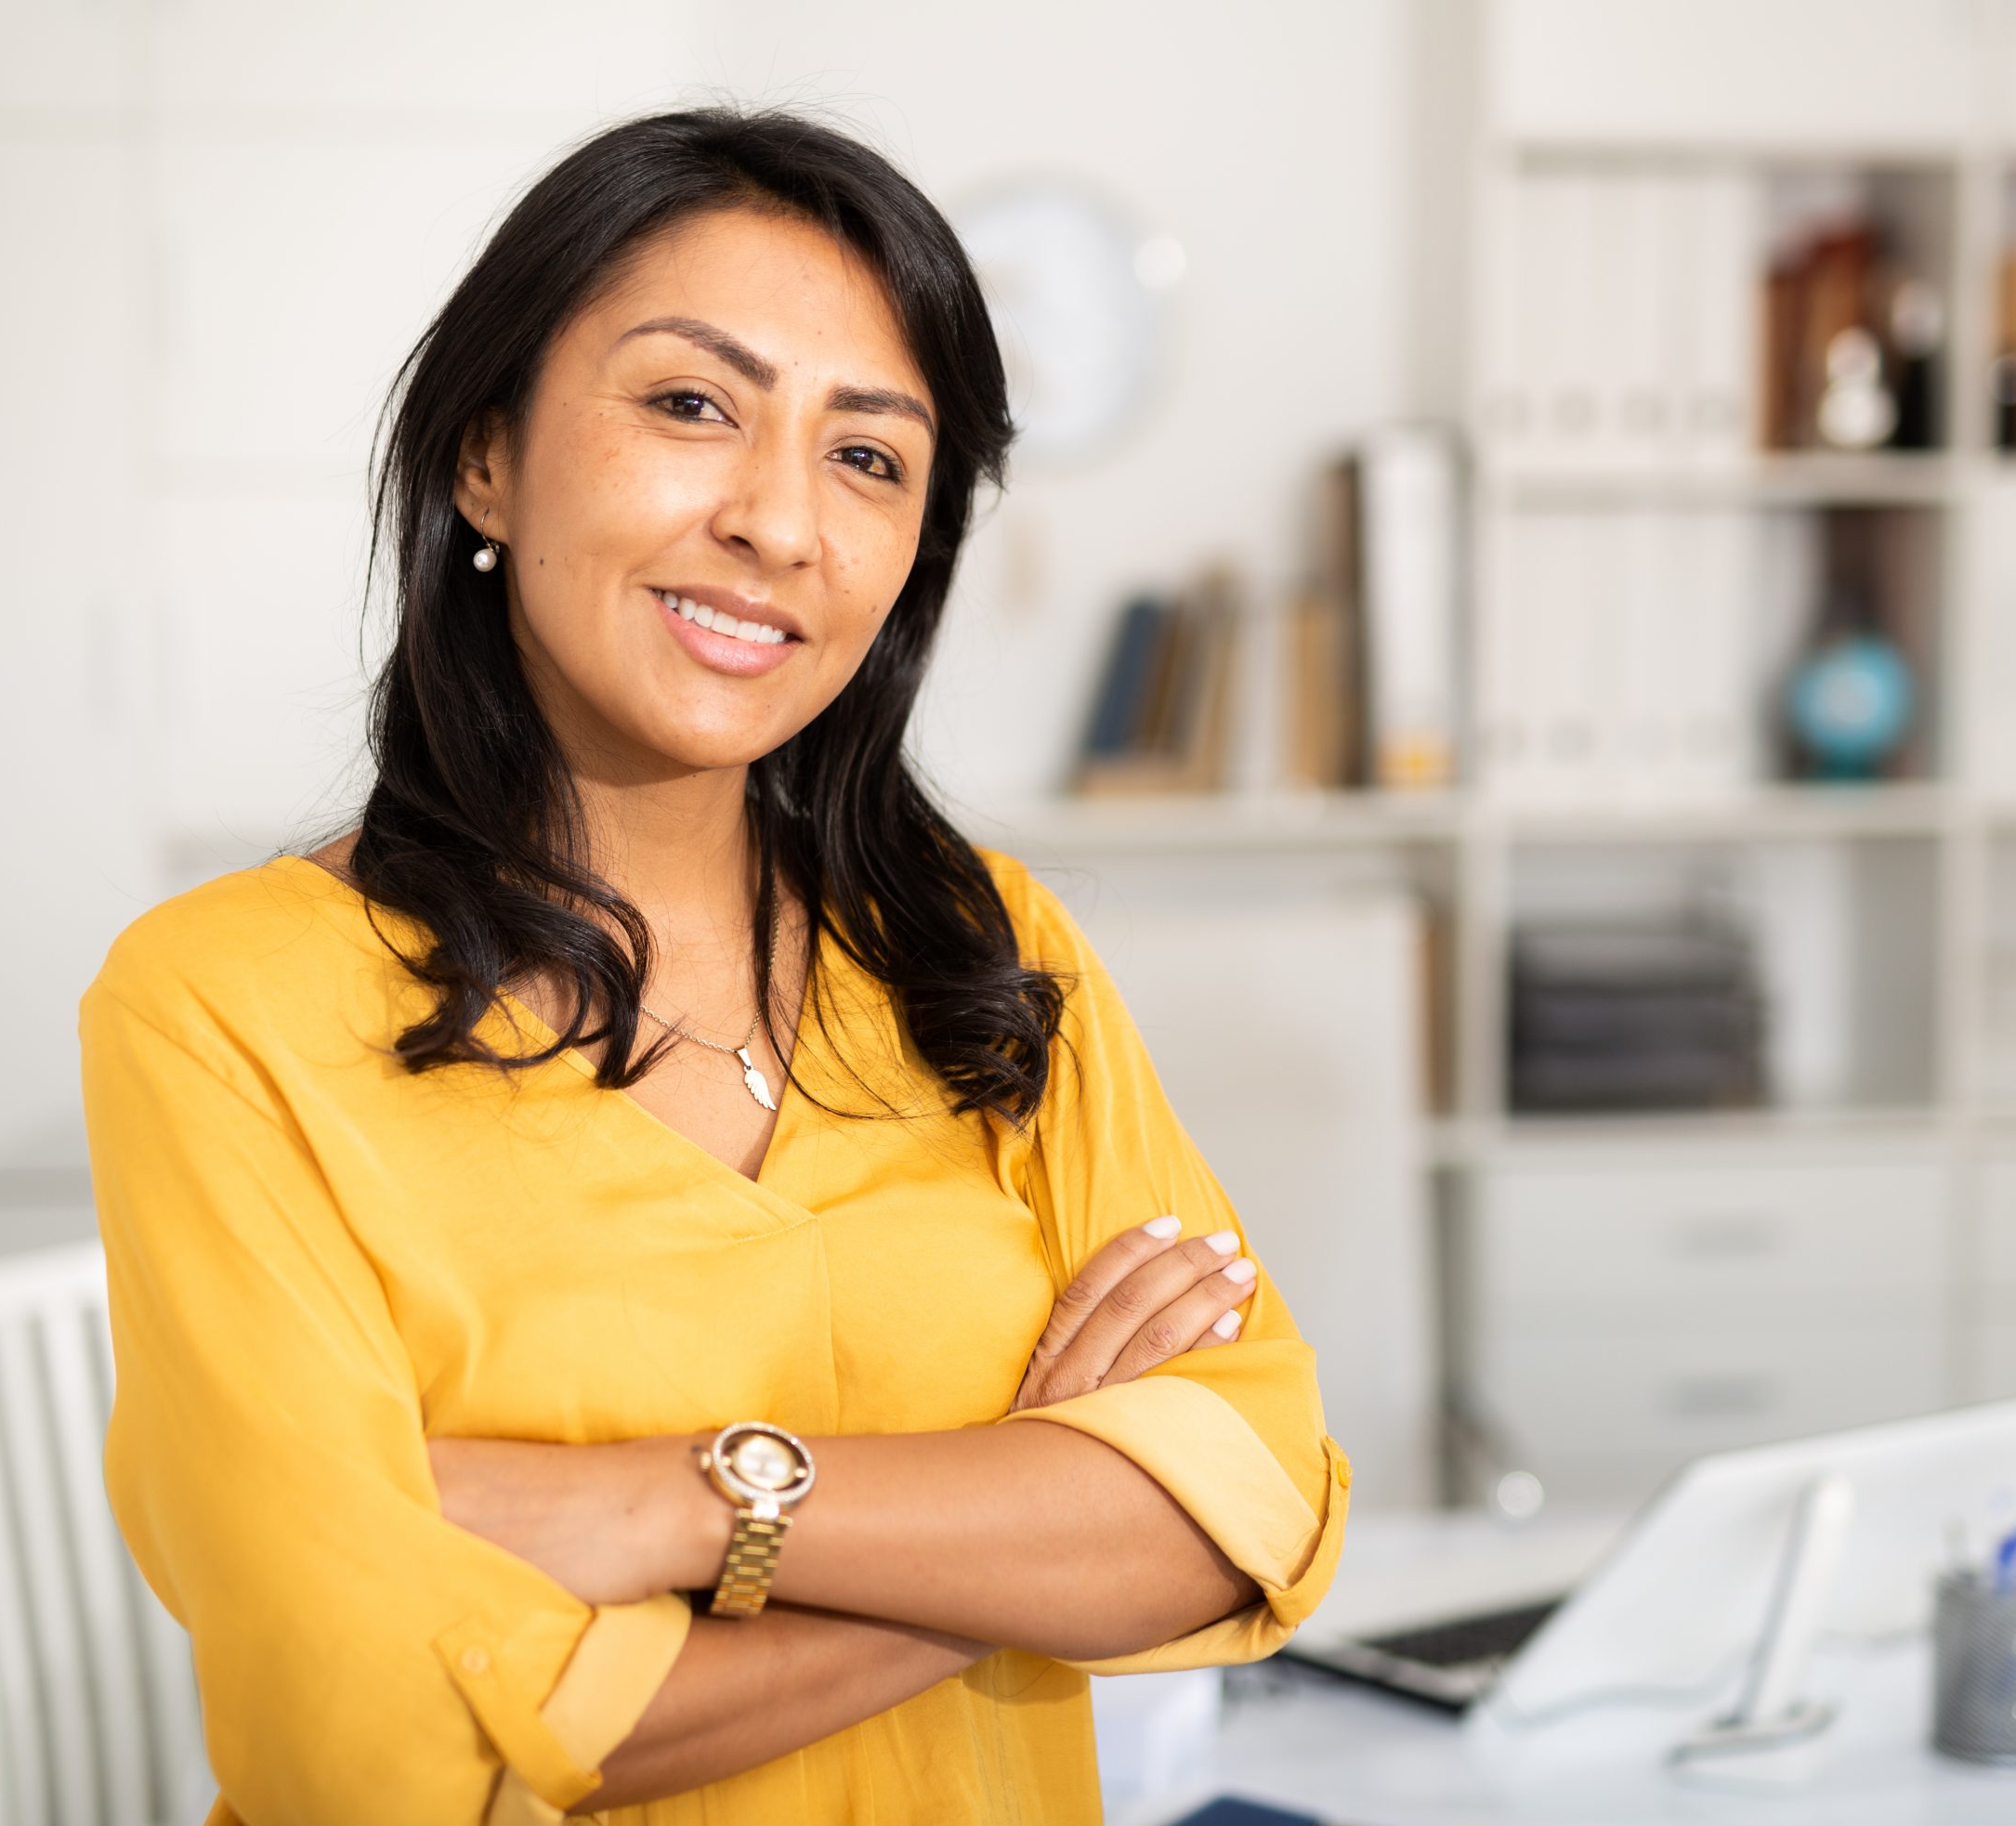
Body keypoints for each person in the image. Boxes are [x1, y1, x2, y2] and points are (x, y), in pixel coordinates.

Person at [80, 106, 1348, 1825]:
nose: (778, 521)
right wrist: (1028, 1527)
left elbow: (1260, 1493)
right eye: (691, 405)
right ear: (485, 455)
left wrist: (685, 1504)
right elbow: (370, 1740)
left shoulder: (985, 949)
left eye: (869, 457)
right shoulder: (220, 1004)